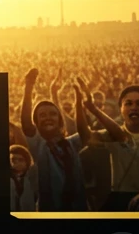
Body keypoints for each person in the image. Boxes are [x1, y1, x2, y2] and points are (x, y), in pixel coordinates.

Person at [79, 81, 139, 208]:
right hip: (119, 201)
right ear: (121, 109)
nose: (134, 108)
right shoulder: (109, 136)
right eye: (128, 103)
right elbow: (85, 136)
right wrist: (80, 105)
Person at [19, 68, 89, 211]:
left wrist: (79, 102)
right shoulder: (38, 145)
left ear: (60, 120)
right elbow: (26, 123)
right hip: (50, 210)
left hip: (77, 209)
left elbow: (84, 134)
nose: (48, 118)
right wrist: (28, 87)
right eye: (42, 115)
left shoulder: (71, 143)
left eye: (52, 114)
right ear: (37, 123)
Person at [9, 144, 38, 210]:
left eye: (20, 160)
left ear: (26, 161)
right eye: (13, 160)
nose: (16, 162)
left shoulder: (32, 179)